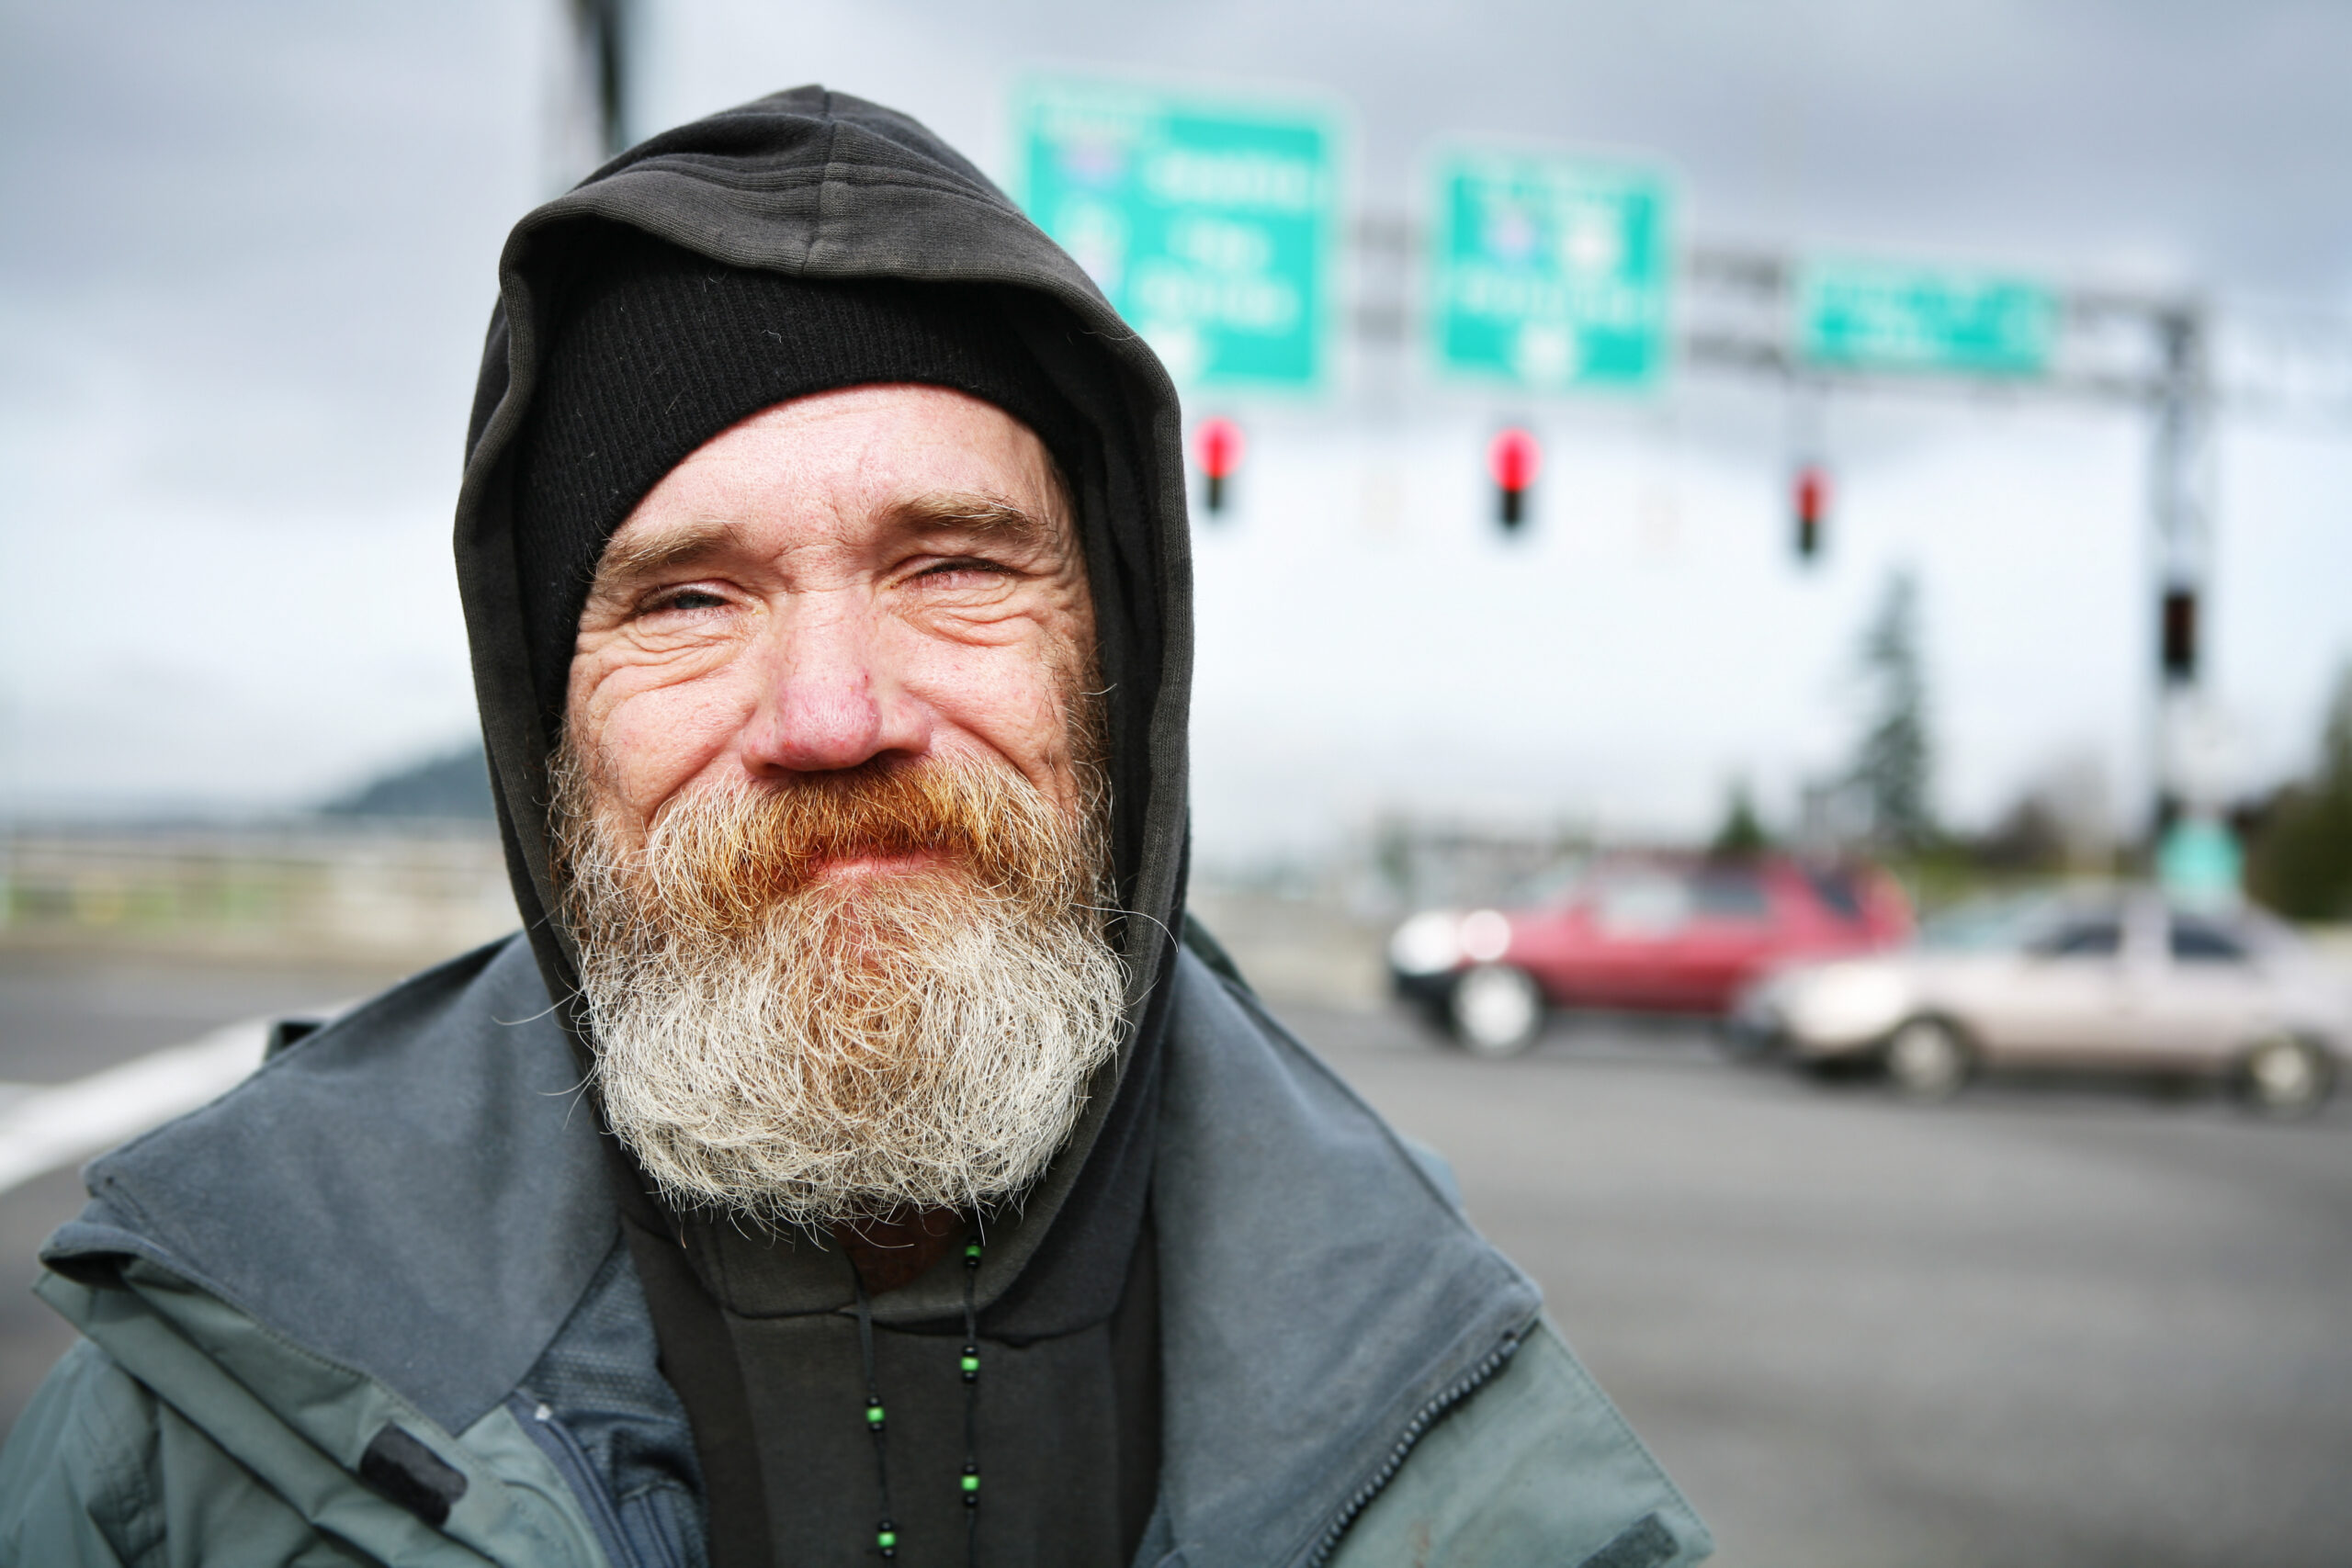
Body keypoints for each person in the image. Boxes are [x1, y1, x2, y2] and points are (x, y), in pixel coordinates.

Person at [0, 88, 1710, 1568]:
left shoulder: (1457, 1423)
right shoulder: (202, 1417)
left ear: (1117, 663)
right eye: (686, 598)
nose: (830, 717)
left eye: (952, 565)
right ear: (547, 724)